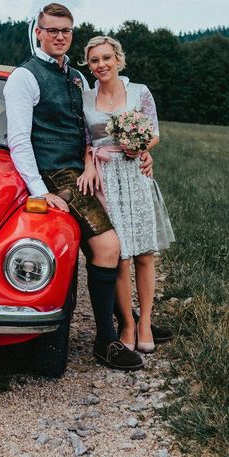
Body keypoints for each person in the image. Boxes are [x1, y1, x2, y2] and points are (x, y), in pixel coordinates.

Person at [3, 3, 148, 371]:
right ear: (38, 32)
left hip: (85, 170)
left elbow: (87, 132)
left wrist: (95, 161)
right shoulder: (25, 77)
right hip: (53, 173)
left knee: (128, 241)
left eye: (65, 31)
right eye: (52, 30)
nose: (59, 36)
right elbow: (18, 140)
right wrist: (39, 190)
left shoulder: (76, 79)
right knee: (108, 244)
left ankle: (130, 321)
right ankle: (106, 342)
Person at [76, 35, 175, 353]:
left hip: (135, 174)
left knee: (144, 255)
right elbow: (85, 140)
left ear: (118, 59)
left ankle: (145, 321)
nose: (101, 65)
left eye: (106, 58)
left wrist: (142, 148)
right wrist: (88, 164)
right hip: (105, 179)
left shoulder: (139, 92)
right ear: (89, 66)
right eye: (94, 60)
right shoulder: (85, 98)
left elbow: (155, 132)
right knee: (120, 256)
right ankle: (127, 324)